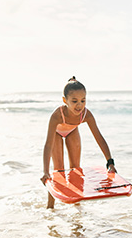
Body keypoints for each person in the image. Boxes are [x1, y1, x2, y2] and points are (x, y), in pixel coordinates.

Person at [41, 77, 117, 209]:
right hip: (56, 135)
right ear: (65, 101)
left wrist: (110, 162)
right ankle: (50, 207)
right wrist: (45, 172)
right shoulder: (57, 115)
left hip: (72, 131)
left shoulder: (86, 114)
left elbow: (99, 138)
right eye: (74, 101)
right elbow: (48, 144)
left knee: (76, 169)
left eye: (83, 100)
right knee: (58, 170)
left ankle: (77, 206)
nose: (79, 105)